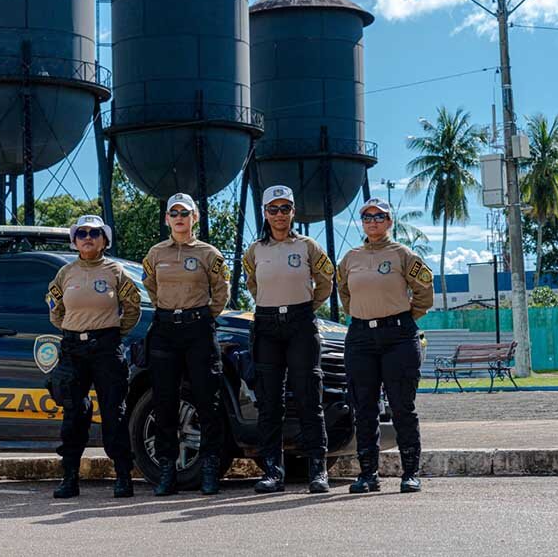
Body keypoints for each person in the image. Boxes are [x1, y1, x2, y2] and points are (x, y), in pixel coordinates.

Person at [336, 198, 434, 494]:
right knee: (363, 408)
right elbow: (344, 293)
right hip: (361, 338)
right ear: (362, 222)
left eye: (380, 216)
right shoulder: (350, 257)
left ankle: (410, 472)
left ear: (389, 222)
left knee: (402, 406)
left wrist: (400, 317)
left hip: (398, 338)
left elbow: (424, 293)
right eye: (367, 216)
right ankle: (368, 474)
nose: (373, 221)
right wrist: (366, 316)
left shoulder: (403, 255)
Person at [241, 185, 335, 494]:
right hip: (267, 325)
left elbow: (325, 283)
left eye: (285, 209)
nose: (279, 215)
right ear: (265, 213)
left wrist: (303, 306)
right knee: (270, 403)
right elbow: (253, 286)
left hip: (300, 325)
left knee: (309, 397)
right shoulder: (254, 251)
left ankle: (318, 471)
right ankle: (272, 472)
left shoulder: (308, 247)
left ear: (293, 212)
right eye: (273, 209)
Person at [46, 214, 142, 499]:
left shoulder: (115, 271)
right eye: (82, 233)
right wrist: (73, 329)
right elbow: (55, 310)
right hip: (73, 349)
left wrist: (111, 331)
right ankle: (69, 478)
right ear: (74, 241)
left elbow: (132, 307)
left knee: (114, 411)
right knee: (74, 412)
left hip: (106, 348)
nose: (88, 237)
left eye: (95, 233)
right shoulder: (65, 273)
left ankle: (123, 476)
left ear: (104, 240)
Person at [142, 193, 230, 496]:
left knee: (208, 400)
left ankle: (209, 466)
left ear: (195, 218)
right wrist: (171, 310)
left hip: (199, 330)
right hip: (166, 329)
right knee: (164, 401)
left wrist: (203, 316)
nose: (179, 217)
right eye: (174, 212)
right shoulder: (155, 254)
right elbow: (151, 287)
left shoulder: (209, 254)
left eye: (185, 212)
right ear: (167, 219)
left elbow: (221, 291)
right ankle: (167, 468)